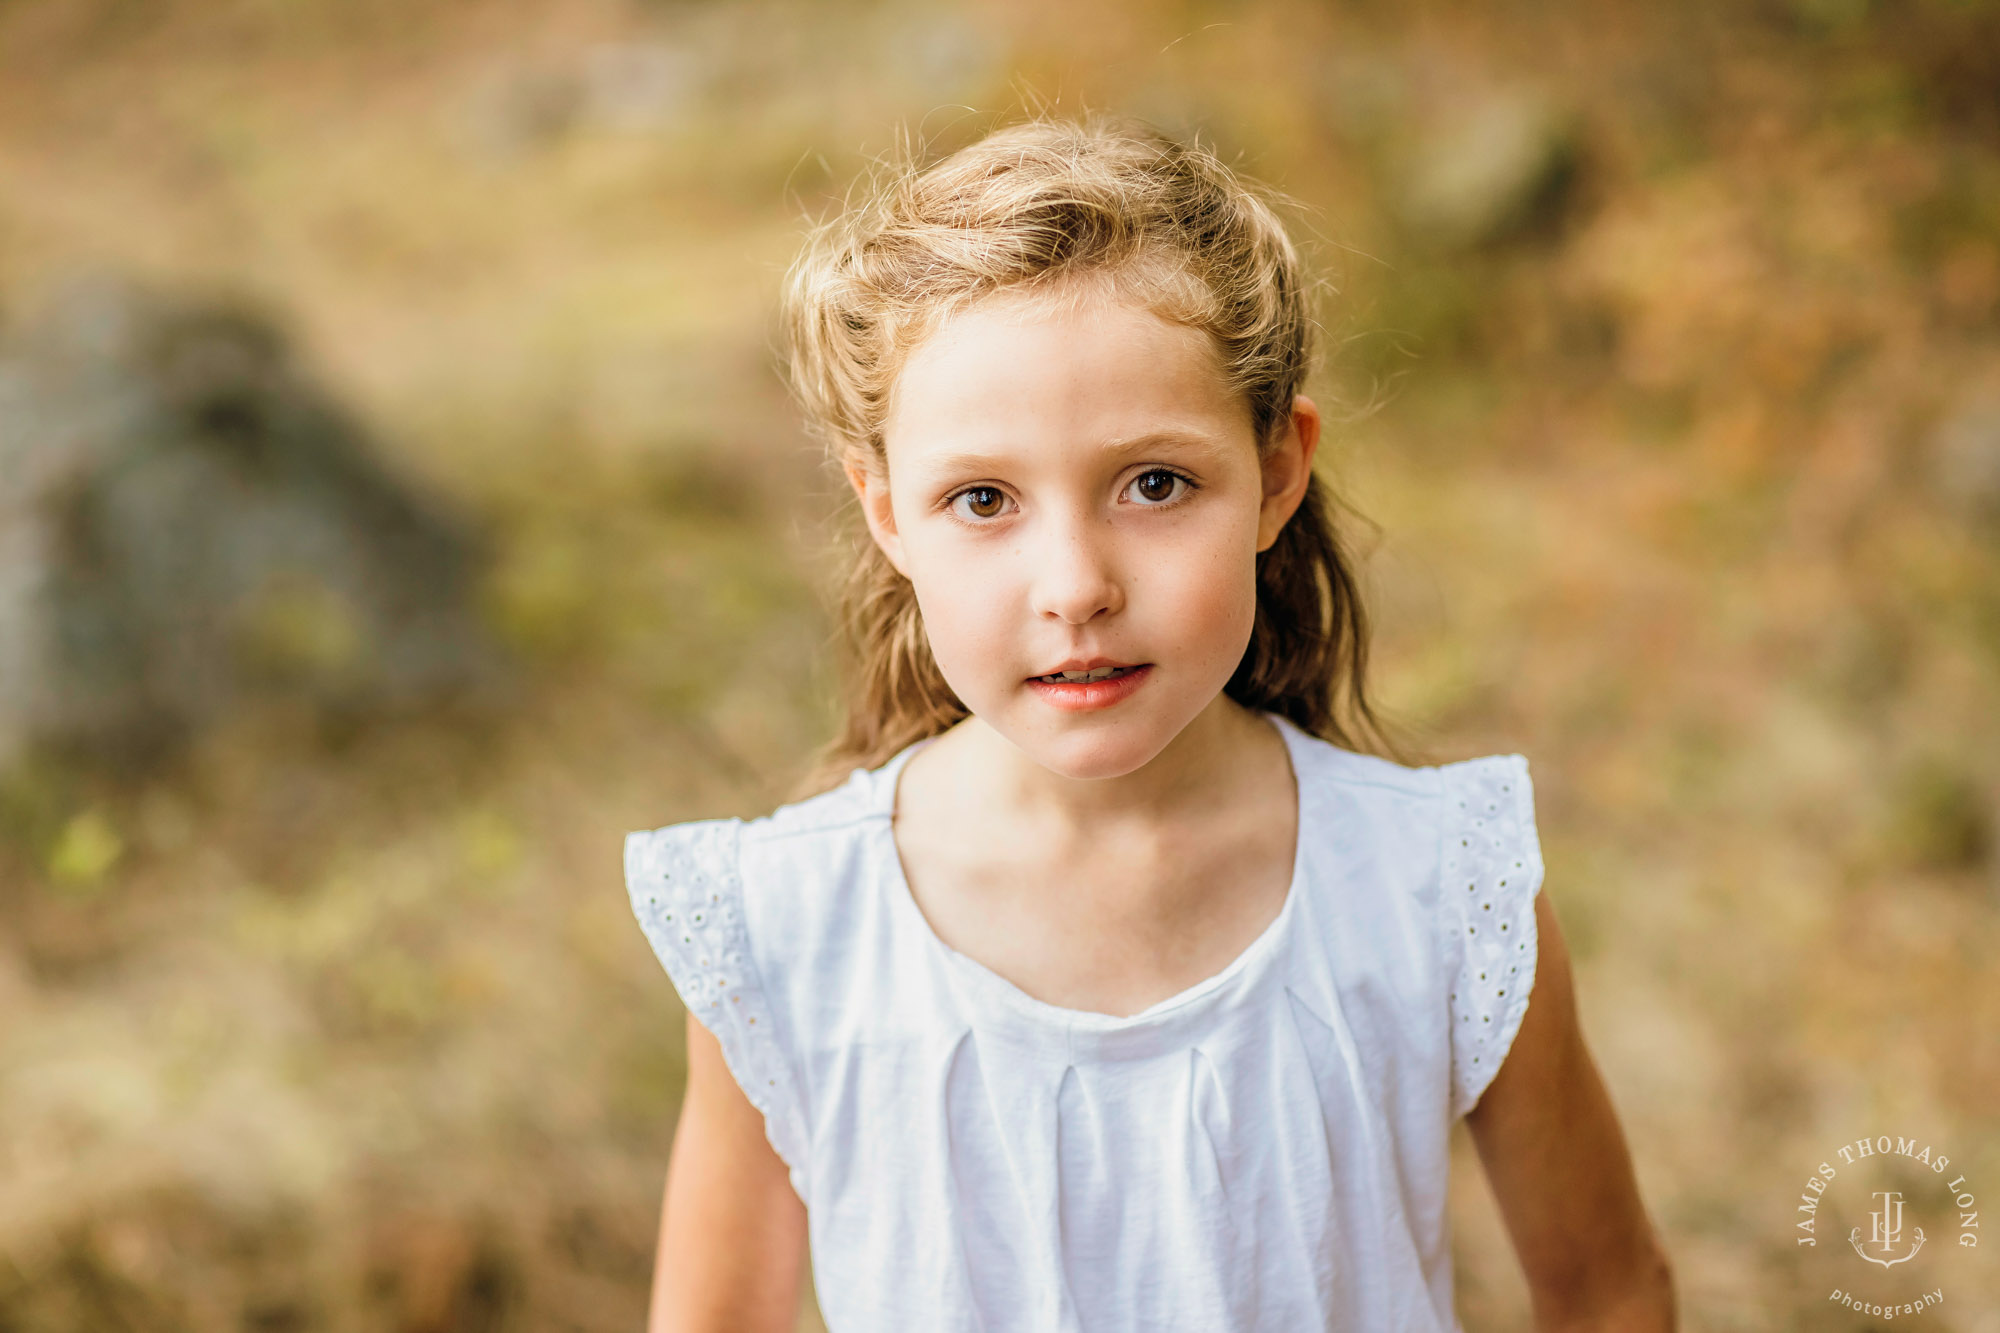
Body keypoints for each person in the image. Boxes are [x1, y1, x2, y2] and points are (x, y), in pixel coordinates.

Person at [623, 112, 1676, 1332]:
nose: (1074, 583)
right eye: (981, 498)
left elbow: (1606, 1291)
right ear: (886, 514)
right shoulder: (785, 932)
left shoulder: (1439, 885)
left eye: (1154, 483)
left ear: (1278, 472)